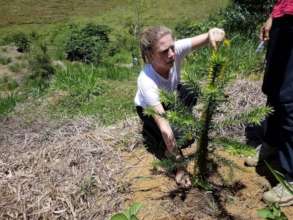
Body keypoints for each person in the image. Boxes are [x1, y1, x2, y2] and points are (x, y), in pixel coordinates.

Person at [134, 26, 225, 187]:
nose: (171, 54)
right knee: (180, 136)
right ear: (149, 54)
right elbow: (164, 127)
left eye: (172, 47)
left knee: (191, 91)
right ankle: (152, 132)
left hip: (171, 95)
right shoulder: (146, 81)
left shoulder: (173, 50)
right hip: (149, 109)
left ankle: (181, 118)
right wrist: (180, 167)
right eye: (163, 51)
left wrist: (216, 33)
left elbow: (208, 36)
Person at [245, 0, 293, 206]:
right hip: (283, 19)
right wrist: (275, 15)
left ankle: (291, 177)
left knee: (289, 98)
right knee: (272, 88)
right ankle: (272, 144)